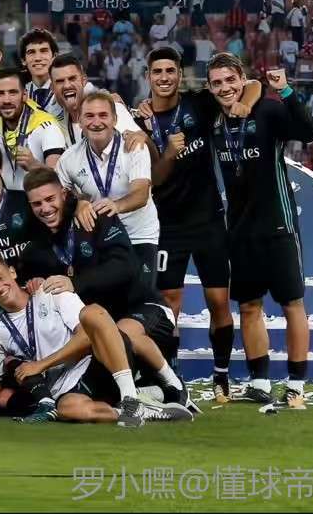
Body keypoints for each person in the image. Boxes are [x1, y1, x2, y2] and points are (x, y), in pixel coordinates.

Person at [134, 46, 259, 399]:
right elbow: (153, 178)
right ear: (148, 76)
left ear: (180, 74)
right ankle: (170, 378)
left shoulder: (199, 103)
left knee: (218, 301)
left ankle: (221, 376)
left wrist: (244, 104)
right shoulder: (139, 121)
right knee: (169, 305)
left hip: (208, 221)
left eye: (170, 71)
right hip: (167, 226)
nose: (164, 78)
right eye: (157, 71)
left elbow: (252, 85)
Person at [18, 167, 189, 410]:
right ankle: (150, 393)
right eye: (37, 204)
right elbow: (27, 276)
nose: (45, 208)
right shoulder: (35, 243)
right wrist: (33, 282)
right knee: (102, 353)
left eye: (50, 199)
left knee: (119, 336)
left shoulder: (95, 216)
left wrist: (76, 283)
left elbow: (125, 267)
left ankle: (175, 386)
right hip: (99, 323)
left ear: (64, 194)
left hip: (143, 307)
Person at [204, 56, 313, 406]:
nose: (225, 88)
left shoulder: (266, 110)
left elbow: (308, 133)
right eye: (217, 82)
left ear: (242, 79)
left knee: (292, 304)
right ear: (209, 87)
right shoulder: (212, 117)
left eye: (230, 80)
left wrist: (285, 90)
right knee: (249, 306)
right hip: (239, 229)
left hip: (278, 223)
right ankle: (260, 382)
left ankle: (296, 384)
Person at [0, 254, 192, 425]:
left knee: (92, 313)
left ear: (12, 272)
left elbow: (86, 338)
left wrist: (41, 365)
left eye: (0, 278)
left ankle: (131, 397)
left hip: (99, 364)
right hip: (65, 387)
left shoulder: (49, 291)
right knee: (69, 410)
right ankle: (139, 411)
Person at [56, 91, 160, 289]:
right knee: (105, 298)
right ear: (80, 122)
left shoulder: (134, 147)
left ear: (115, 119)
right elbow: (59, 195)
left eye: (103, 115)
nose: (96, 122)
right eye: (89, 116)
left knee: (141, 298)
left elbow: (141, 194)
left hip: (138, 234)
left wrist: (115, 206)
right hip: (100, 237)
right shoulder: (69, 158)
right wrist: (76, 203)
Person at [0, 68, 65, 190]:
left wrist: (34, 165)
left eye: (13, 92)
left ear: (24, 95)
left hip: (38, 199)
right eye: (0, 93)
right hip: (5, 199)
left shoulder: (47, 126)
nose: (6, 100)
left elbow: (60, 179)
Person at [49, 53, 144, 147]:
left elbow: (142, 144)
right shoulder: (53, 122)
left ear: (84, 81)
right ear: (52, 88)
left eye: (72, 79)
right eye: (60, 81)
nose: (67, 85)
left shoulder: (113, 108)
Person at [18, 28, 63, 119]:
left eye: (43, 51)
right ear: (23, 60)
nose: (38, 58)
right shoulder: (18, 94)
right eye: (31, 52)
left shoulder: (65, 90)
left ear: (54, 56)